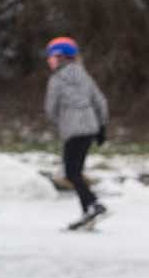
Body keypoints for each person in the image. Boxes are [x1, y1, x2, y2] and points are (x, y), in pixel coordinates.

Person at [43, 36, 111, 230]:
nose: (49, 61)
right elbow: (100, 101)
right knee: (76, 172)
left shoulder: (56, 80)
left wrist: (61, 122)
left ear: (61, 57)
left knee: (71, 173)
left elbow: (50, 109)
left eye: (51, 57)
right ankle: (88, 211)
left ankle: (94, 204)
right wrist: (101, 127)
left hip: (72, 131)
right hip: (90, 128)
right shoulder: (84, 75)